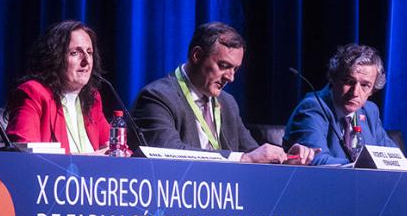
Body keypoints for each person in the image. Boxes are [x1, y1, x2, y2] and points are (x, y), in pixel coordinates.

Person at [131, 22, 315, 164]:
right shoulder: (157, 97)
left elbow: (253, 153)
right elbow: (167, 153)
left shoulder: (228, 103)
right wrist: (242, 159)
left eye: (235, 69)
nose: (231, 77)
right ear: (197, 55)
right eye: (224, 66)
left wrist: (286, 158)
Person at [283, 43, 407, 170]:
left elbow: (388, 153)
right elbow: (315, 160)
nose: (355, 92)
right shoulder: (313, 107)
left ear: (373, 90)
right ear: (333, 78)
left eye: (365, 85)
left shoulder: (370, 111)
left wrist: (402, 162)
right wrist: (361, 167)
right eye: (348, 81)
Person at [6, 20, 110, 154]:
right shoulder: (34, 93)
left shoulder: (91, 99)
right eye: (75, 53)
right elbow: (23, 153)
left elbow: (116, 149)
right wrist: (90, 158)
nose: (86, 61)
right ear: (55, 58)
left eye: (89, 52)